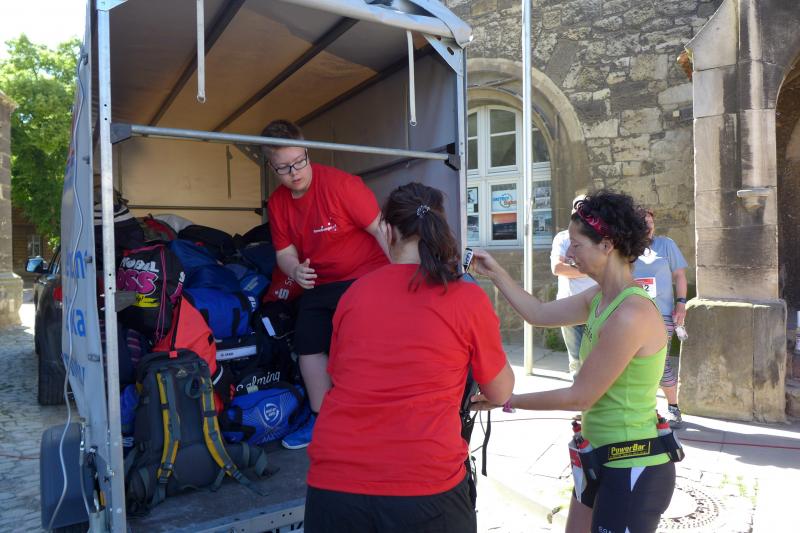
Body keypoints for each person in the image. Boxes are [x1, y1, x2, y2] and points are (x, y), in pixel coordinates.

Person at [304, 182, 514, 532]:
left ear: (388, 231)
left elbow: (340, 376)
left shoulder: (354, 294)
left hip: (336, 480)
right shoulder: (466, 297)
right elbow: (501, 390)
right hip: (425, 481)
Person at [470, 190, 677, 533]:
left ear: (607, 245)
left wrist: (508, 400)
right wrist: (495, 273)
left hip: (632, 464)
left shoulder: (631, 313)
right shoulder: (601, 297)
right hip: (597, 456)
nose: (569, 254)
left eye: (576, 245)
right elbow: (539, 313)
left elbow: (579, 397)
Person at [264, 119, 390, 449]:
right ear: (272, 168)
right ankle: (321, 418)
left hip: (366, 276)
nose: (294, 172)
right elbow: (284, 253)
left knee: (358, 345)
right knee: (307, 342)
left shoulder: (342, 185)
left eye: (299, 161)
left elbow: (381, 230)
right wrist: (295, 270)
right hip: (320, 283)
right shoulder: (277, 203)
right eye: (284, 168)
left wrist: (401, 278)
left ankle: (372, 418)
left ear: (307, 152)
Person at [633, 210, 689, 427]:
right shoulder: (626, 247)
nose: (649, 225)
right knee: (634, 361)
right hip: (632, 314)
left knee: (660, 361)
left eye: (651, 222)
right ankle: (644, 408)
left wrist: (681, 303)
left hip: (661, 314)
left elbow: (680, 275)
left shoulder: (666, 245)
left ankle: (673, 408)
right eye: (643, 222)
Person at [550, 194, 597, 376]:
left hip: (595, 307)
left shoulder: (598, 239)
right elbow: (557, 268)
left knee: (595, 359)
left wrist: (574, 267)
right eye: (577, 209)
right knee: (576, 360)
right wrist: (591, 268)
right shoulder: (562, 238)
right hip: (569, 306)